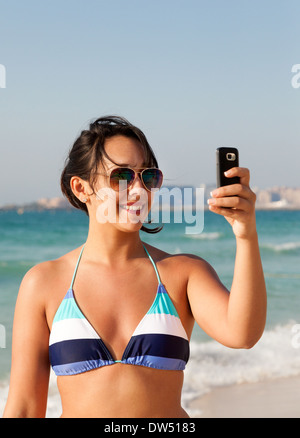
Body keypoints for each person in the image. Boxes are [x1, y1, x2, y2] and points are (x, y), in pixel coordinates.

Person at [3, 116, 267, 418]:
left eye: (149, 176)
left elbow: (243, 334)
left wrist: (246, 234)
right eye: (122, 176)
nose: (139, 189)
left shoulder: (183, 273)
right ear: (80, 187)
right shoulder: (44, 283)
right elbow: (23, 408)